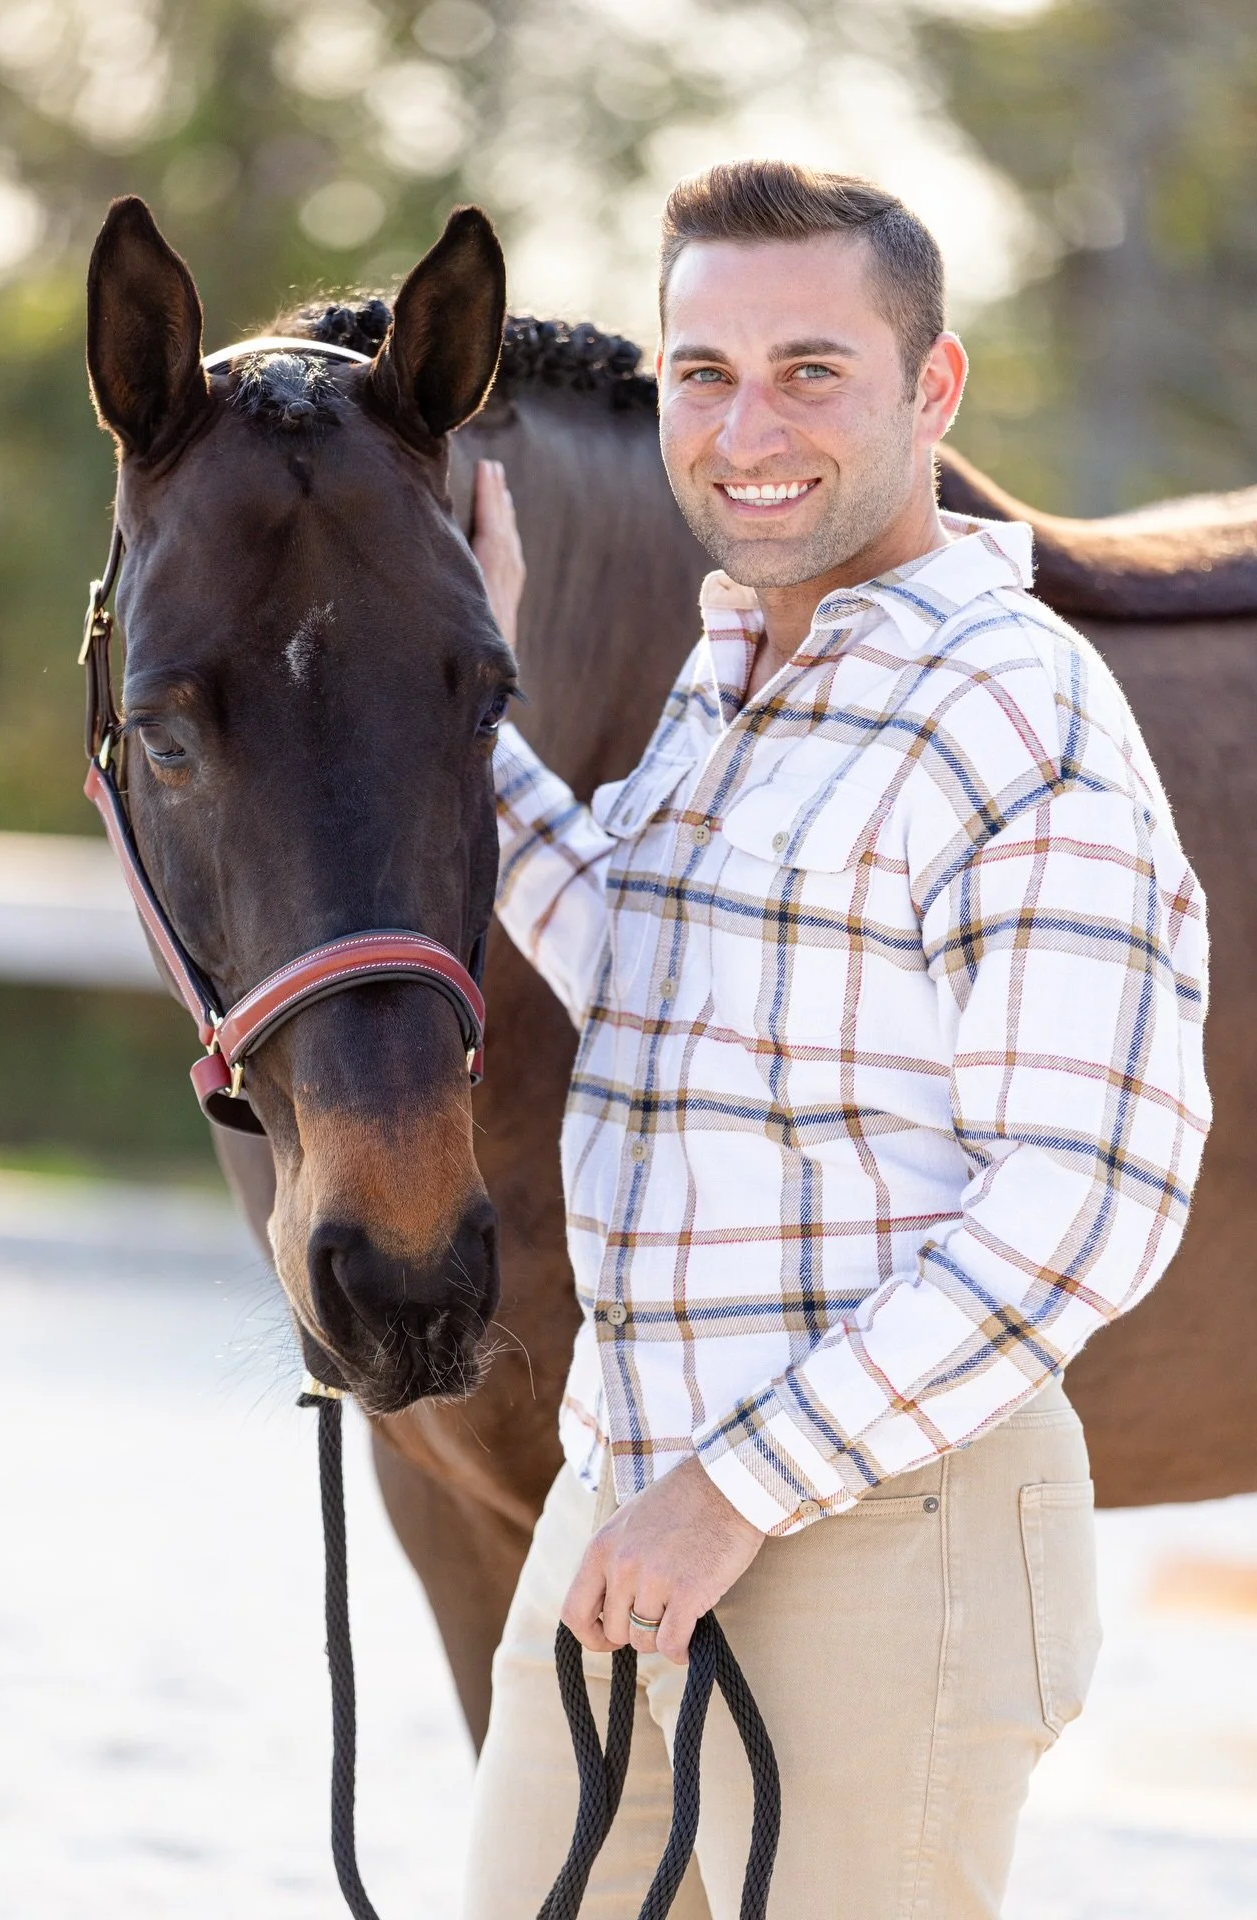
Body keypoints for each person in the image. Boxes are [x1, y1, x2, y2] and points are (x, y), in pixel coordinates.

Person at [462, 161, 1210, 1920]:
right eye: (702, 374)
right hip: (631, 1503)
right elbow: (644, 966)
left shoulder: (1013, 708)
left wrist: (731, 1496)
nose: (747, 428)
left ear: (931, 392)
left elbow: (1086, 1197)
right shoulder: (738, 673)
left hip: (885, 1538)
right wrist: (474, 710)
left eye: (814, 369)